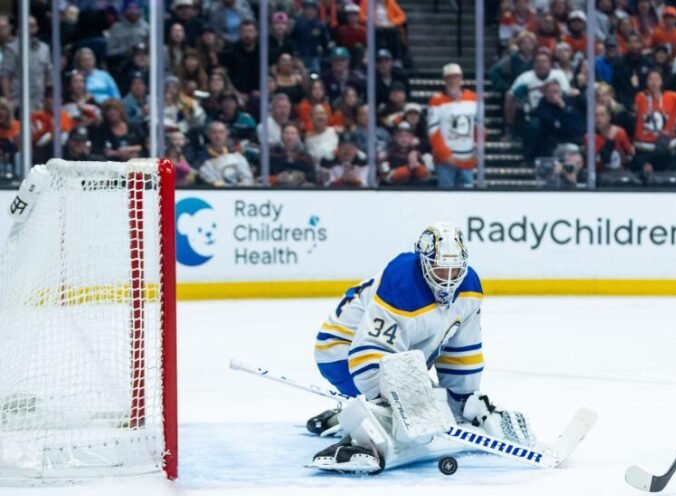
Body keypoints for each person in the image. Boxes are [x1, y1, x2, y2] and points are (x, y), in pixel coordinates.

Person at [308, 223, 531, 472]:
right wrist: (390, 408)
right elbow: (369, 353)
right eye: (439, 270)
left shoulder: (470, 288)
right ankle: (359, 434)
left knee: (430, 407)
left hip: (399, 358)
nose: (448, 280)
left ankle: (343, 416)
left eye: (454, 270)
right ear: (424, 262)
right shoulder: (402, 280)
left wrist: (463, 402)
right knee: (410, 416)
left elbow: (462, 353)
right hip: (341, 351)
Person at [428, 63, 479, 188]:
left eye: (455, 77)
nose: (453, 81)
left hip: (467, 158)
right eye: (449, 77)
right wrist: (445, 154)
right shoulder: (436, 100)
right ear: (444, 80)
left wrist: (478, 144)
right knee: (446, 199)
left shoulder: (473, 97)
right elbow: (433, 130)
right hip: (445, 160)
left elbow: (479, 125)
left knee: (467, 197)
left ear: (461, 78)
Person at [196, 120, 255, 186]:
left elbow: (247, 177)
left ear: (226, 134)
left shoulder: (236, 156)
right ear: (208, 135)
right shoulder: (202, 158)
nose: (218, 136)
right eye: (214, 133)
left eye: (221, 132)